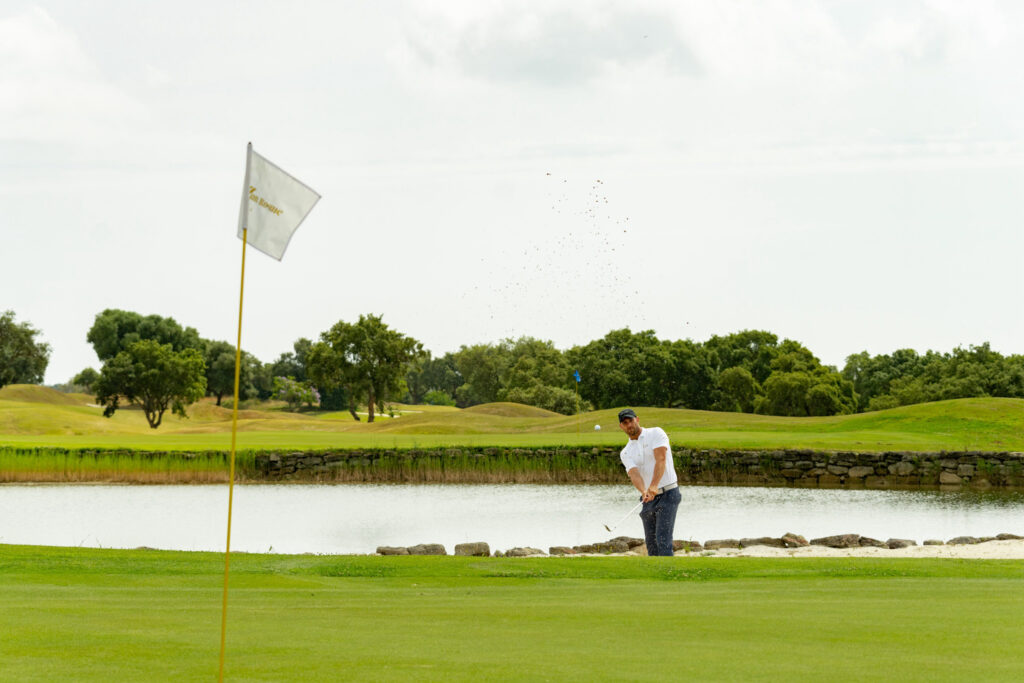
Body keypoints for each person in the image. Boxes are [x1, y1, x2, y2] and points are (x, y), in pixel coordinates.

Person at [617, 408, 680, 556]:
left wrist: (653, 485)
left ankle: (668, 574)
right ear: (621, 426)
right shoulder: (625, 452)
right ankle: (655, 577)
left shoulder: (656, 433)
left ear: (637, 420)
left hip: (668, 493)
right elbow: (634, 474)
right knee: (651, 543)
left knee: (663, 539)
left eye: (631, 421)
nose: (629, 425)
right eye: (625, 423)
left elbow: (661, 459)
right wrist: (644, 491)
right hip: (648, 498)